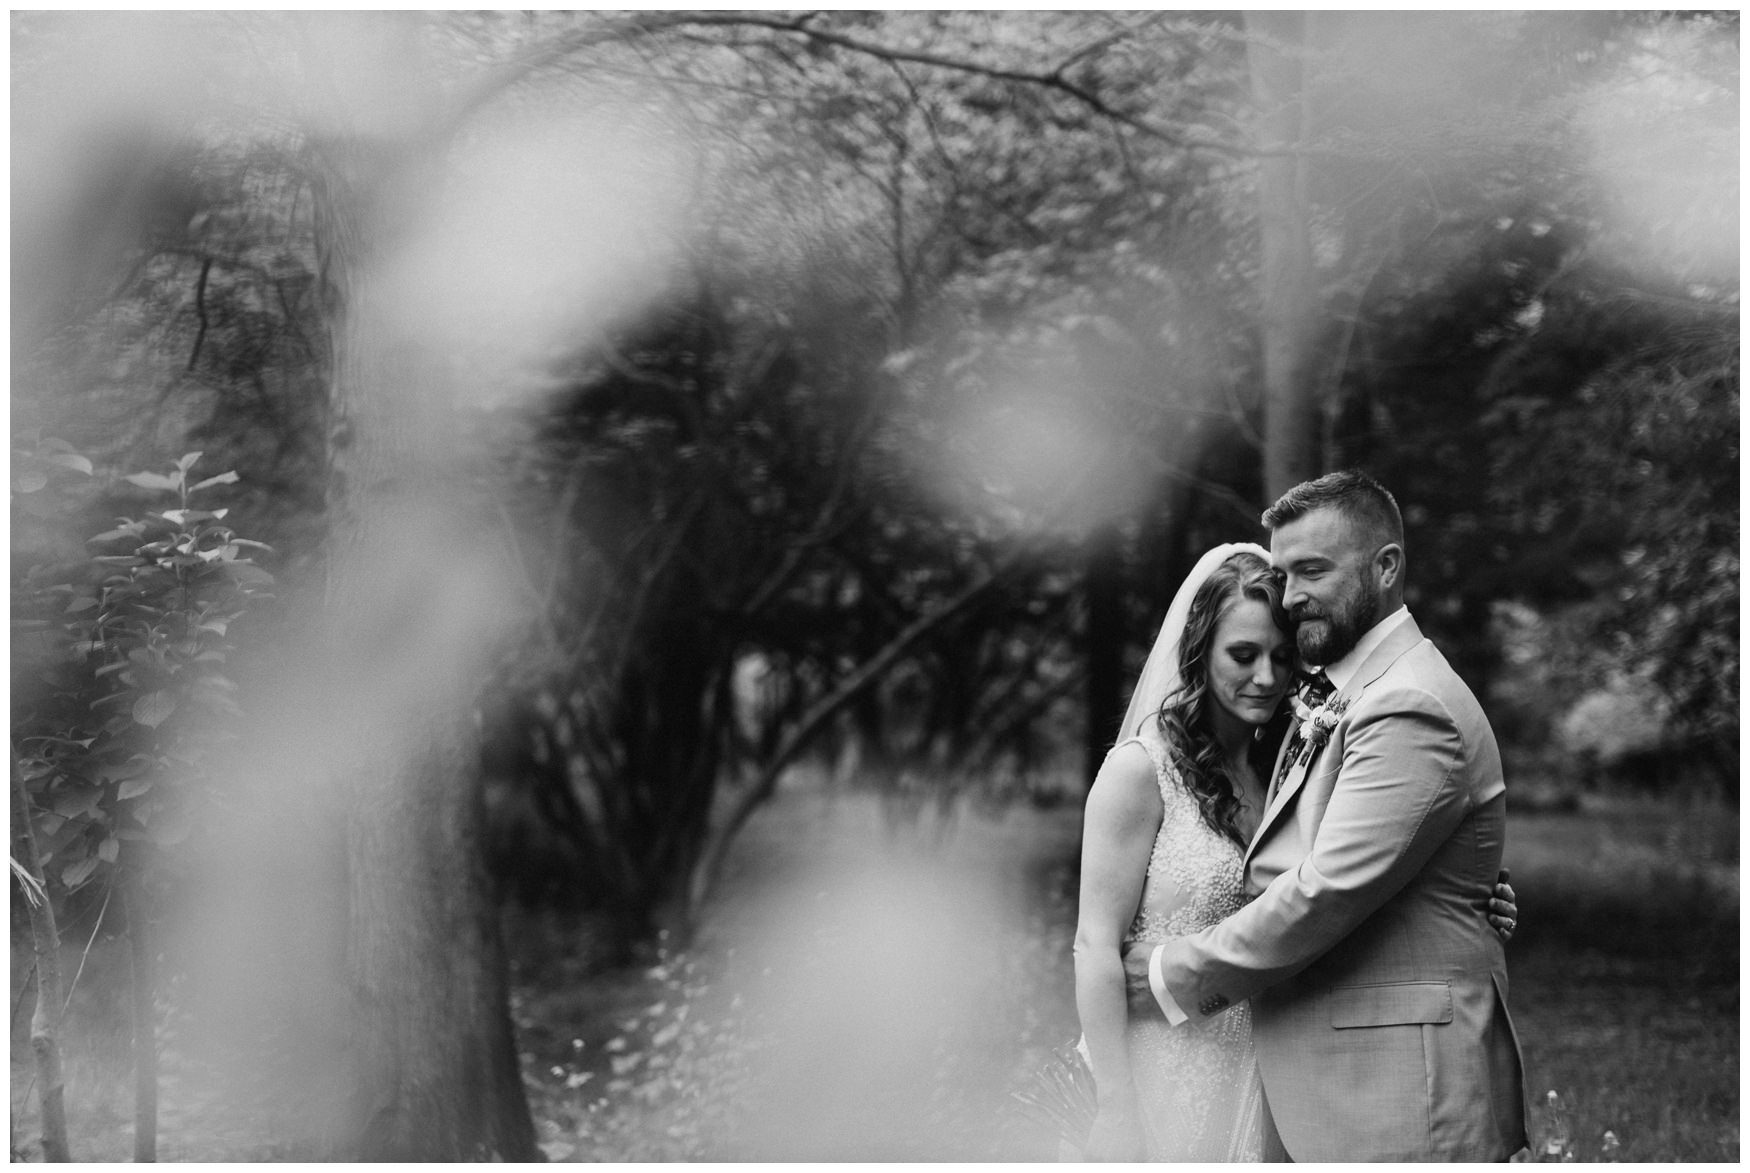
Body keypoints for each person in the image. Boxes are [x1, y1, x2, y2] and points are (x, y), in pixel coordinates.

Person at [1123, 471, 1528, 1161]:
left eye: (1312, 569)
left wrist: (1167, 976)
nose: (1290, 595)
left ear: (1387, 566)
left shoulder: (1409, 703)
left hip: (1394, 1088)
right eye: (1280, 573)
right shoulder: (1348, 693)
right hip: (1324, 1077)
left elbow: (1327, 890)